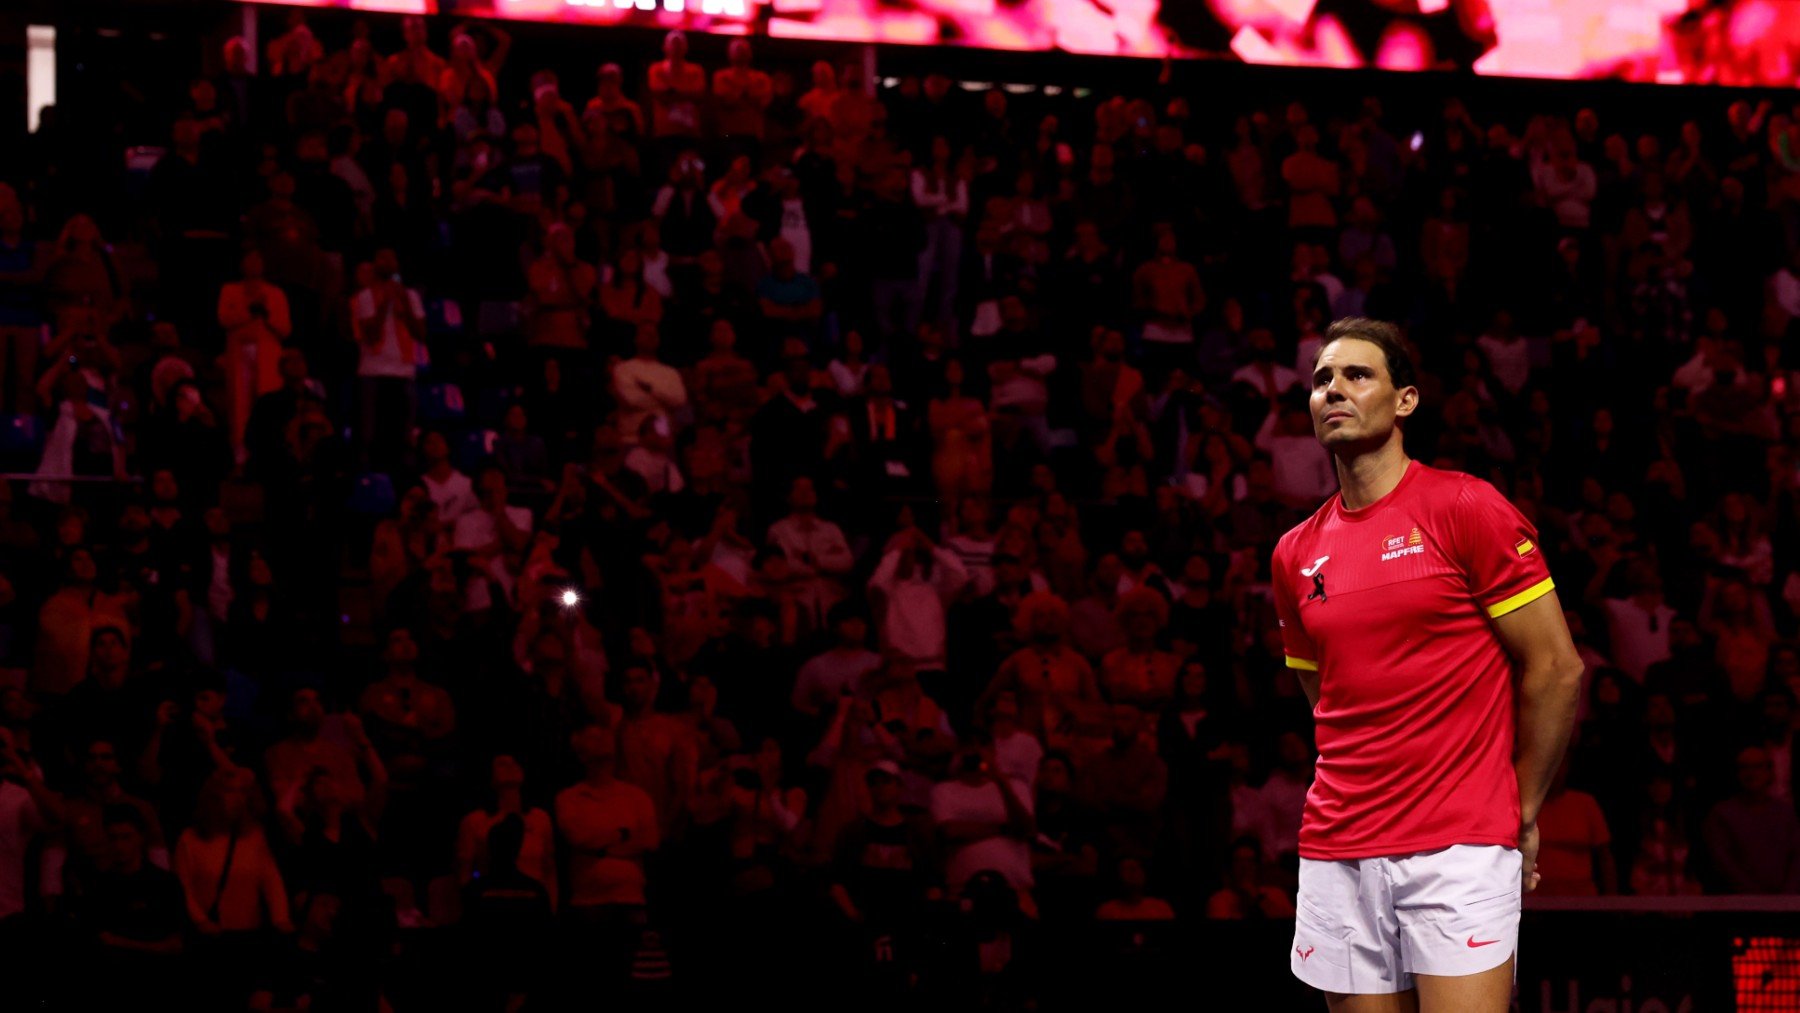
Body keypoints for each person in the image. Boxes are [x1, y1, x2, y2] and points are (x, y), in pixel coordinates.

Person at [1272, 318, 1584, 1009]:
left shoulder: (1465, 507)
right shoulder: (1294, 552)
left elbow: (1558, 668)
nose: (1334, 391)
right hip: (1338, 843)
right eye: (1322, 379)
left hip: (1459, 844)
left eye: (1357, 376)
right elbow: (1325, 693)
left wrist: (1521, 805)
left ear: (1405, 400)